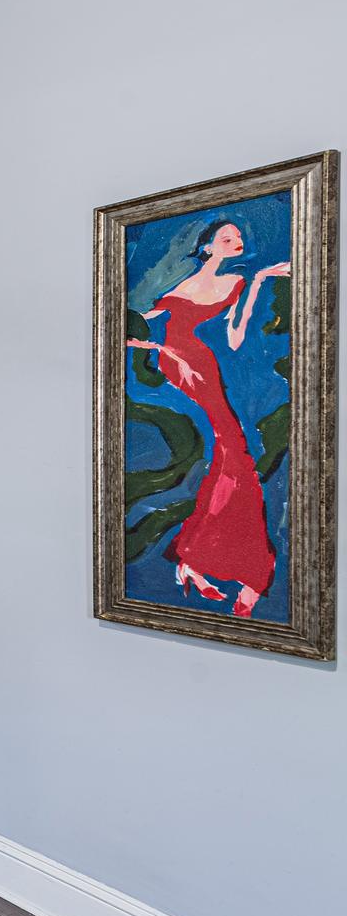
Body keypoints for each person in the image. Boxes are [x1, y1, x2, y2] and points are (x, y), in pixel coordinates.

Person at [127, 218, 287, 617]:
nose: (237, 242)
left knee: (232, 456)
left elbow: (234, 337)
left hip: (203, 367)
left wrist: (260, 279)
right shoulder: (177, 286)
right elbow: (137, 326)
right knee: (233, 454)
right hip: (177, 366)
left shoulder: (235, 283)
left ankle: (195, 559)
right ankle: (244, 570)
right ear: (208, 246)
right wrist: (160, 351)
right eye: (227, 238)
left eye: (239, 238)